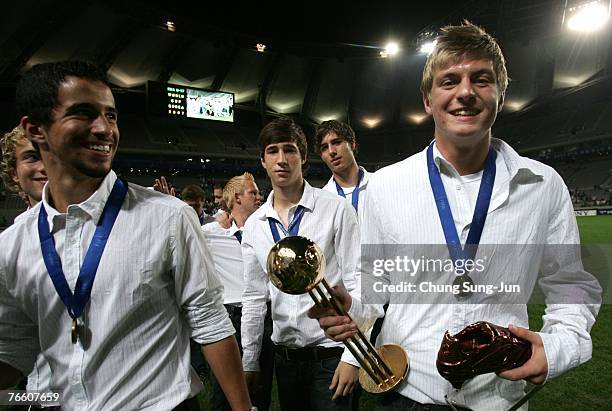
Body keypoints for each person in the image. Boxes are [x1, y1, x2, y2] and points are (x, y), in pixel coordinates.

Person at [310, 21, 601, 410]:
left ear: (500, 93)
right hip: (407, 394)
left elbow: (570, 285)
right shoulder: (386, 187)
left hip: (500, 397)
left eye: (481, 79)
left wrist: (559, 345)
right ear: (428, 99)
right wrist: (352, 306)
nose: (465, 92)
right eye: (449, 81)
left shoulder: (543, 186)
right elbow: (373, 287)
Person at [0, 60, 252, 411]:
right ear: (36, 129)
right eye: (84, 113)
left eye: (111, 115)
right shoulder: (13, 244)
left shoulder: (168, 217)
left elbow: (209, 322)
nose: (104, 128)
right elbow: (14, 348)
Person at [240, 117, 362, 411]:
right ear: (263, 160)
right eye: (273, 151)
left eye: (290, 150)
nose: (282, 159)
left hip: (331, 355)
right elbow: (255, 299)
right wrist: (249, 361)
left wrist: (352, 358)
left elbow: (360, 281)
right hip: (286, 359)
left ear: (303, 157)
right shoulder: (255, 225)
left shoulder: (335, 209)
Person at [203, 172, 274, 411]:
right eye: (253, 192)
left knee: (259, 390)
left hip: (263, 319)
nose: (259, 196)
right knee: (222, 394)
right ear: (237, 198)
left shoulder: (268, 231)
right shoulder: (211, 233)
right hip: (227, 318)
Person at [315, 120, 370, 216]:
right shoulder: (321, 200)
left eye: (336, 142)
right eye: (324, 147)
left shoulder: (377, 184)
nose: (331, 151)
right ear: (322, 156)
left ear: (352, 144)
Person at [0, 125, 47, 209]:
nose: (44, 167)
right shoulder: (22, 222)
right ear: (14, 173)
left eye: (54, 157)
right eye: (33, 158)